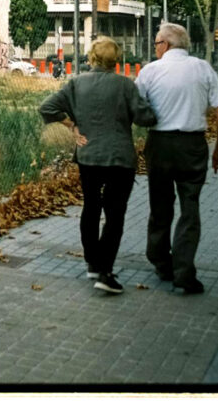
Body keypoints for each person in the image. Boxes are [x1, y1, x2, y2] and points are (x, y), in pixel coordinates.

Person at [39, 36, 157, 295]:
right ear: (116, 61)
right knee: (115, 214)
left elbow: (46, 107)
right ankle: (105, 271)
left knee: (91, 208)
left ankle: (92, 262)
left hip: (88, 156)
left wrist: (72, 126)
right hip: (119, 158)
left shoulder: (77, 83)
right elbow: (144, 117)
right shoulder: (125, 85)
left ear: (91, 58)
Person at [136, 22, 218, 296]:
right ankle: (184, 274)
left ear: (165, 44)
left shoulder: (150, 71)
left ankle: (161, 261)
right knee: (190, 208)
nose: (155, 48)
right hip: (192, 144)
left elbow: (135, 106)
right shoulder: (203, 68)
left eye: (156, 43)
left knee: (160, 205)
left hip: (160, 144)